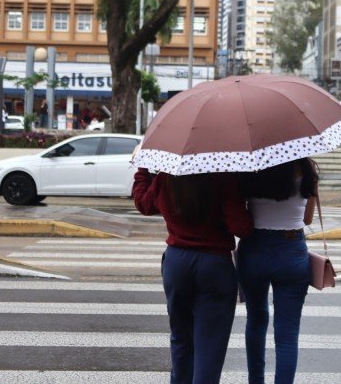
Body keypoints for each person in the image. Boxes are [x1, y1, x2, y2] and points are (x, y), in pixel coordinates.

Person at [134, 168, 253, 384]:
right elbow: (241, 227)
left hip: (177, 263)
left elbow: (144, 203)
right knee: (210, 346)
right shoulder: (224, 177)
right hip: (214, 265)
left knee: (180, 340)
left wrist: (142, 170)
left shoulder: (166, 177)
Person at [237, 158, 319, 384]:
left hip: (254, 248)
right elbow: (307, 218)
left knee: (255, 319)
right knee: (287, 333)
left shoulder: (251, 164)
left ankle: (256, 380)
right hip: (291, 250)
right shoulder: (306, 168)